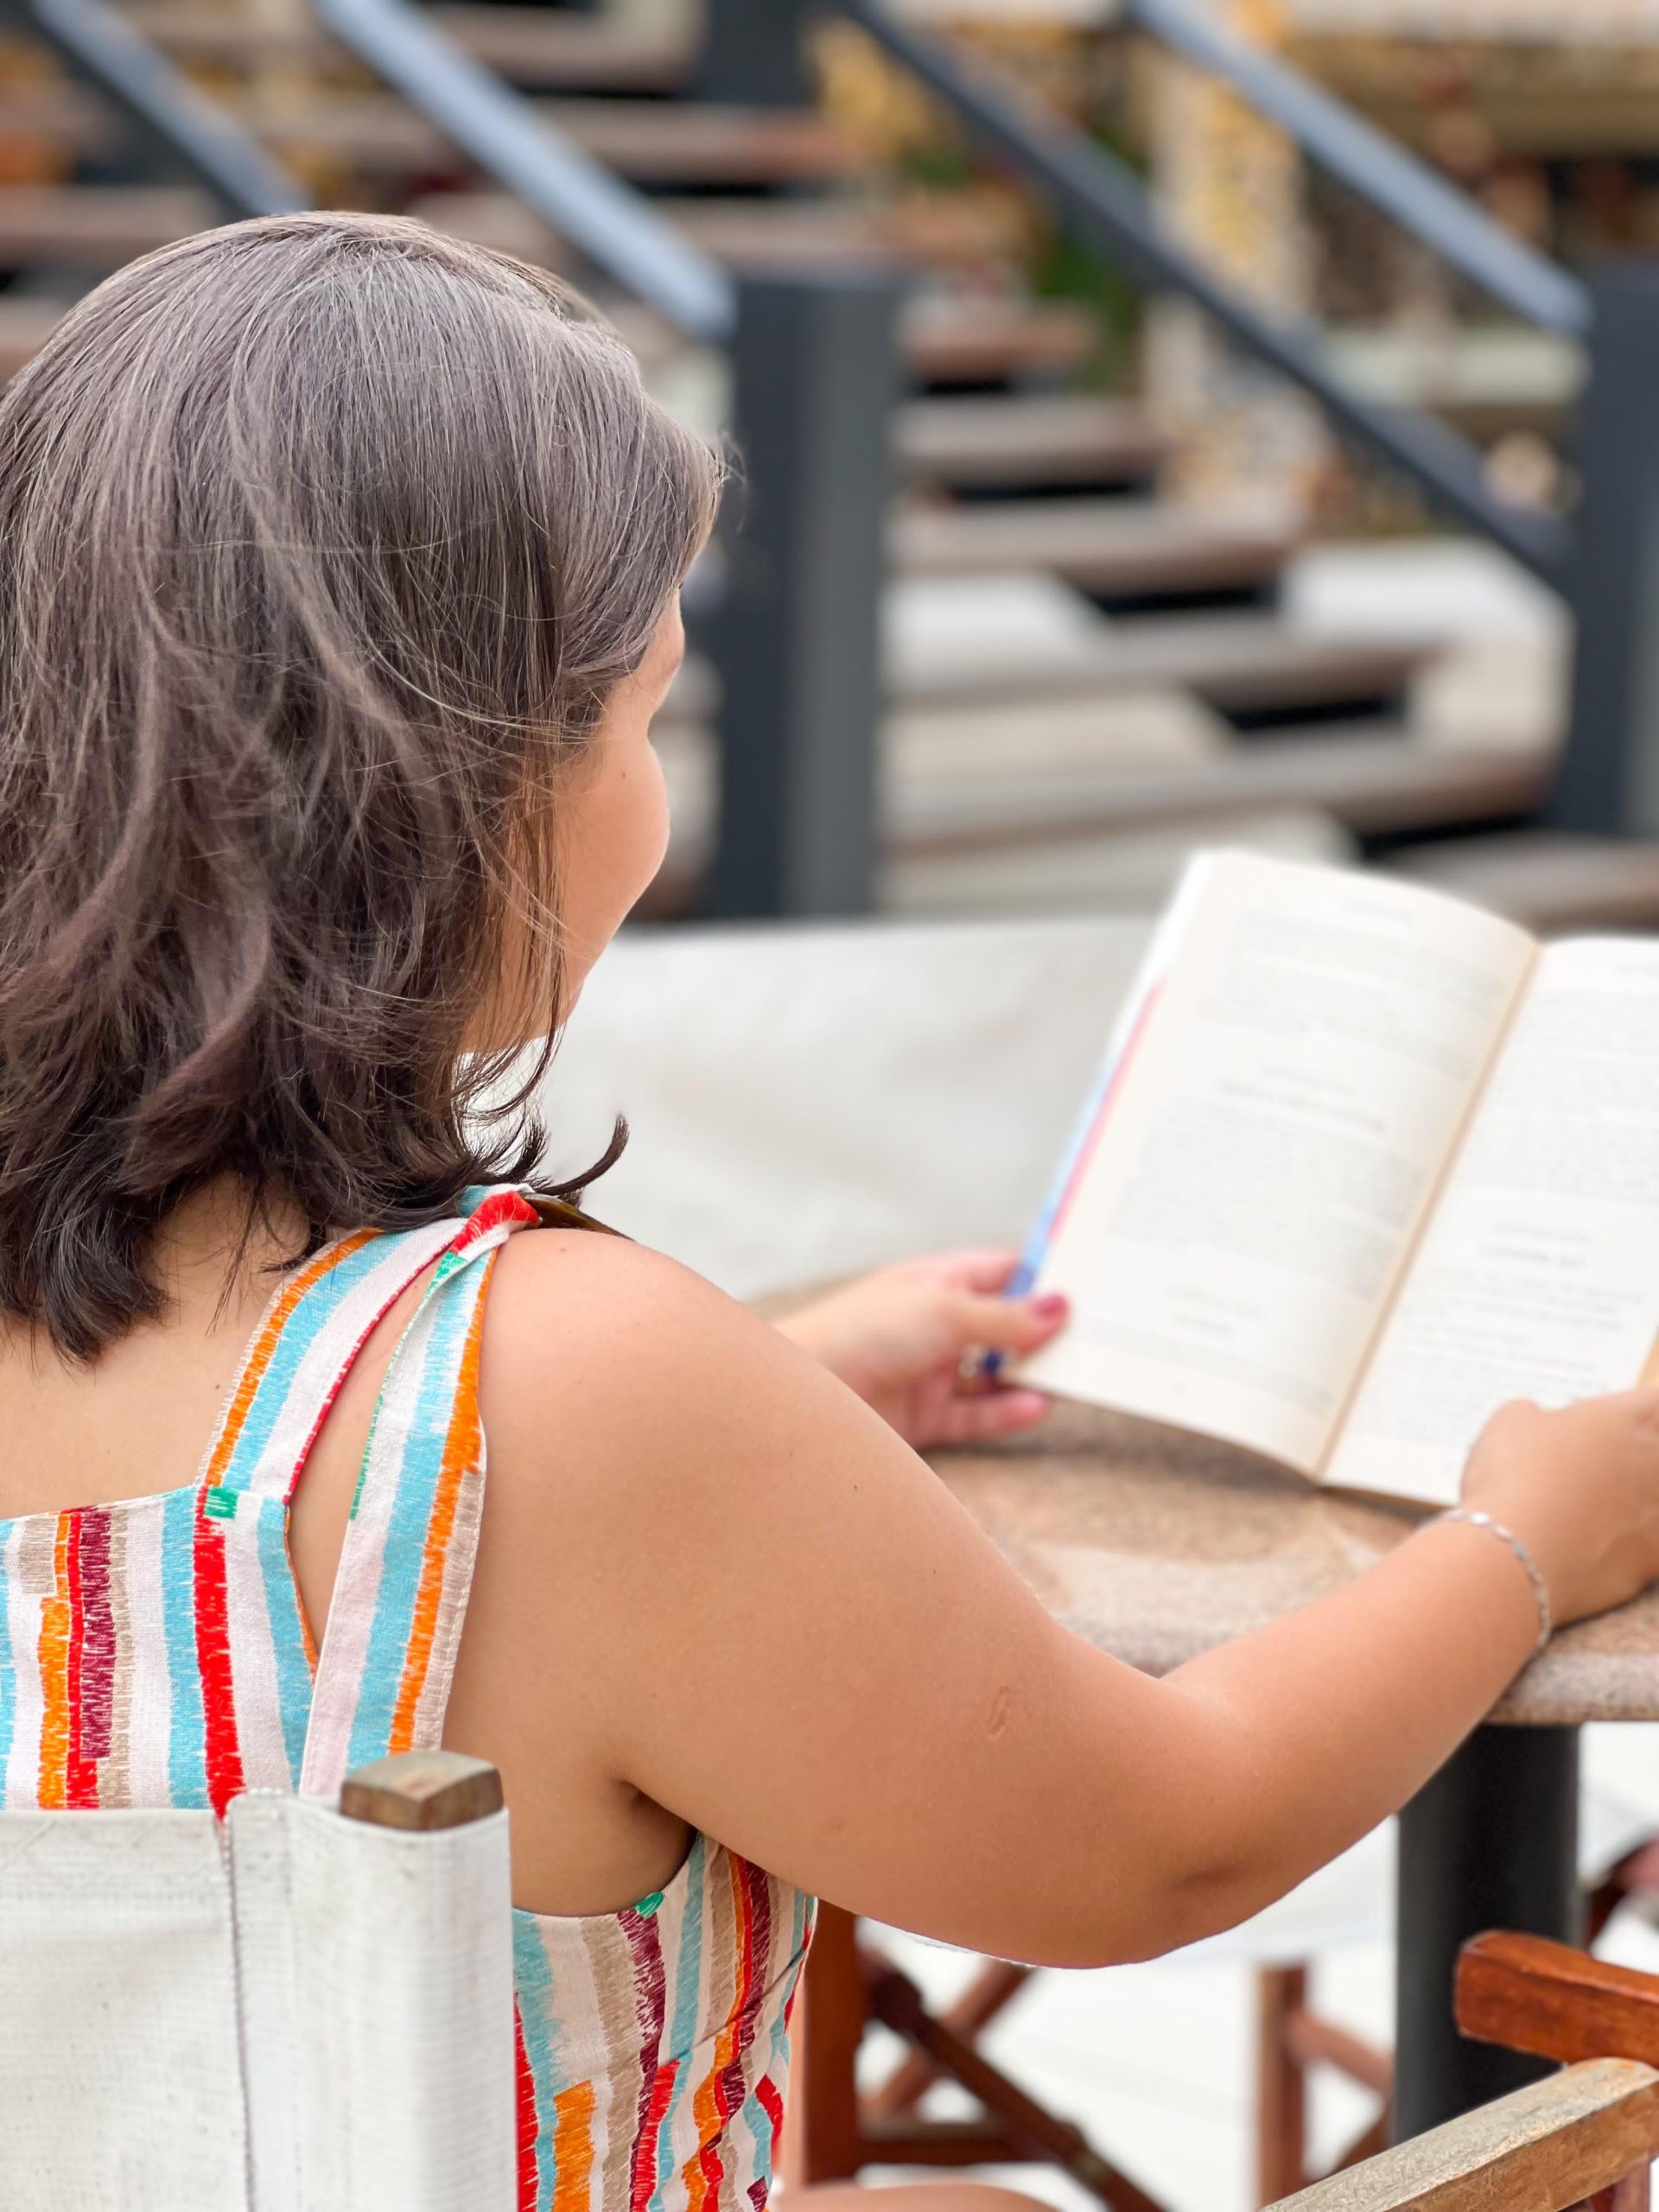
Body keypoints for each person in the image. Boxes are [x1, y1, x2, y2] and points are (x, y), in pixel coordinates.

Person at [0, 210, 1656, 2212]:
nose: (655, 800)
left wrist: (785, 1379)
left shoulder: (537, 1423)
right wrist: (1526, 1538)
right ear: (463, 781)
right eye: (647, 715)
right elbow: (1163, 1838)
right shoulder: (579, 1391)